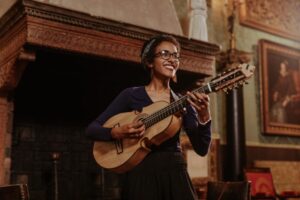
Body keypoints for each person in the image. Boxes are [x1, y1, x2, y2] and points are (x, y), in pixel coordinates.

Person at [86, 34, 212, 200]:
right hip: (140, 173)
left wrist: (204, 115)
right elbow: (91, 130)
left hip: (174, 175)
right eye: (165, 54)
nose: (172, 59)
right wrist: (117, 132)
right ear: (149, 62)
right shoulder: (130, 95)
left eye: (175, 56)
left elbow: (201, 149)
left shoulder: (182, 101)